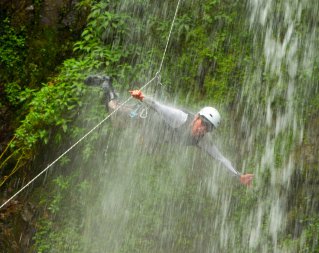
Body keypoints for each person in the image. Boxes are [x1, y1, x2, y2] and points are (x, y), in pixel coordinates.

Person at [85, 75, 254, 186]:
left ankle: (110, 93)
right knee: (114, 111)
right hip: (144, 118)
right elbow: (159, 107)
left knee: (144, 148)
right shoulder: (180, 118)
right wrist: (142, 97)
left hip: (155, 137)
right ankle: (106, 83)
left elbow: (221, 158)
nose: (202, 129)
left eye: (207, 128)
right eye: (202, 123)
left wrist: (238, 175)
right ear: (196, 117)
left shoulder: (202, 140)